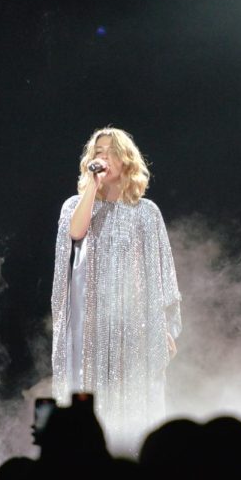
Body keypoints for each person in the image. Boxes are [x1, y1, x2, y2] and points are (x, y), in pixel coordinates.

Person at [50, 127, 182, 451]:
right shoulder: (75, 205)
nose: (102, 157)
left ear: (125, 160)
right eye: (97, 152)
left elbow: (160, 273)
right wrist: (92, 189)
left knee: (131, 391)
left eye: (109, 151)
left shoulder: (147, 213)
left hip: (133, 322)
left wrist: (163, 326)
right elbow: (76, 233)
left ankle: (132, 455)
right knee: (88, 389)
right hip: (89, 322)